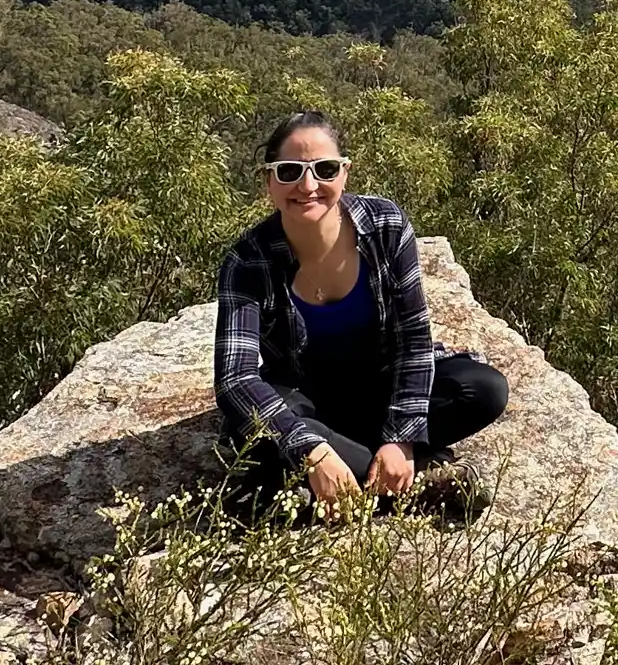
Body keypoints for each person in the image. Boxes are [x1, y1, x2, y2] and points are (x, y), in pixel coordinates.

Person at [213, 111, 507, 515]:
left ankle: (346, 479)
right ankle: (417, 481)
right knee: (257, 432)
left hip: (380, 390)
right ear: (268, 181)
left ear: (345, 173)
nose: (308, 185)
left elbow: (413, 339)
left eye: (325, 169)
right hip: (309, 400)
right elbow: (236, 378)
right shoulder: (248, 261)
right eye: (289, 172)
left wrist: (401, 437)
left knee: (482, 389)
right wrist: (311, 450)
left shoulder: (384, 226)